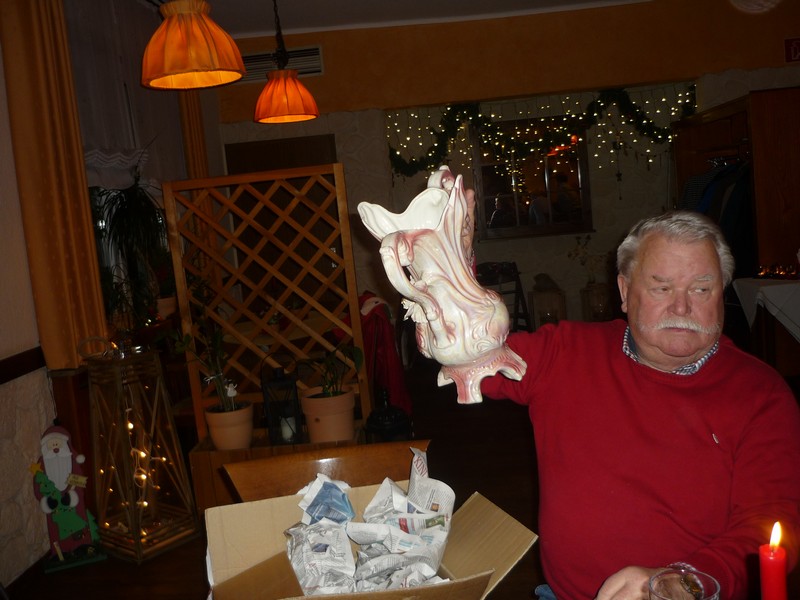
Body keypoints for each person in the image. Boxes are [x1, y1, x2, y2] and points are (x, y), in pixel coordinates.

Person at [478, 211, 800, 599]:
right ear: (624, 291)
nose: (681, 308)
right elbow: (470, 356)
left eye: (701, 289)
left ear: (722, 293)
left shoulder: (760, 393)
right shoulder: (562, 353)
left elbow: (769, 525)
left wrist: (680, 583)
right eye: (661, 288)